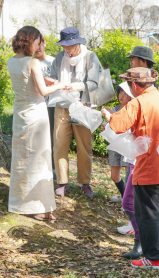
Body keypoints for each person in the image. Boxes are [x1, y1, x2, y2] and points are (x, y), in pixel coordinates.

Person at [101, 67, 159, 269]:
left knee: (148, 213)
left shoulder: (139, 102)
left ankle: (154, 258)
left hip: (150, 166)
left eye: (129, 85)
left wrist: (108, 116)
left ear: (135, 85)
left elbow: (118, 125)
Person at [7, 26, 68, 221]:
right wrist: (58, 85)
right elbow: (41, 91)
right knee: (39, 161)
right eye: (37, 42)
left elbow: (28, 82)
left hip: (20, 114)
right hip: (36, 115)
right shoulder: (32, 61)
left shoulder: (11, 61)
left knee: (22, 159)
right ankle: (40, 207)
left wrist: (46, 80)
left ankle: (20, 202)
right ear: (30, 41)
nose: (39, 46)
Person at [115, 45, 159, 242]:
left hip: (145, 155)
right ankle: (143, 231)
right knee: (136, 200)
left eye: (133, 60)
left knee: (144, 200)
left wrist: (112, 120)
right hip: (135, 152)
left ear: (143, 63)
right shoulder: (153, 94)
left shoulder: (146, 95)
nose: (130, 63)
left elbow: (126, 123)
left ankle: (147, 239)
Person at [50, 27, 100, 199]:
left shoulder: (90, 57)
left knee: (84, 146)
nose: (67, 50)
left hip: (83, 106)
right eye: (64, 46)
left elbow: (94, 83)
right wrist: (57, 83)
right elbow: (52, 77)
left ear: (78, 43)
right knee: (59, 144)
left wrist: (79, 86)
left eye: (70, 46)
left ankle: (85, 183)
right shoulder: (58, 57)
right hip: (62, 105)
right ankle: (62, 182)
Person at [102, 83, 133, 203]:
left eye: (126, 94)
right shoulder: (114, 110)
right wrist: (106, 128)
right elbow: (111, 125)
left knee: (128, 175)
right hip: (115, 146)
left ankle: (128, 201)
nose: (122, 96)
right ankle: (124, 196)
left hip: (127, 146)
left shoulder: (131, 110)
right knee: (114, 176)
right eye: (121, 92)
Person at [34, 35, 56, 179]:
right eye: (34, 45)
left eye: (40, 44)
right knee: (38, 136)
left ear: (44, 44)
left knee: (53, 137)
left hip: (53, 104)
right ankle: (38, 166)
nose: (38, 48)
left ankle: (52, 169)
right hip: (36, 104)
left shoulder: (54, 61)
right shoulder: (30, 63)